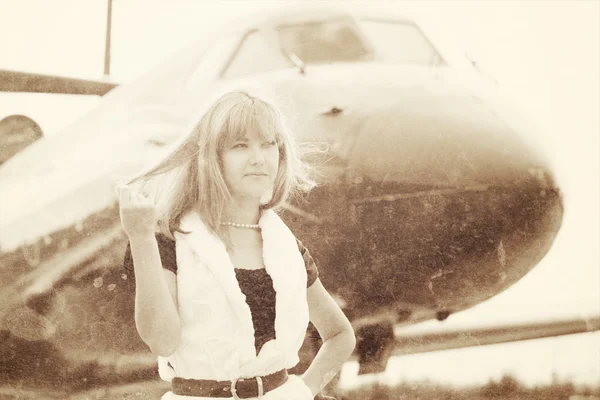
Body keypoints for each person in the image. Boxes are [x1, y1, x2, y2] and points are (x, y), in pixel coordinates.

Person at [118, 89, 356, 400]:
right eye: (240, 146)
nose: (258, 158)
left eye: (269, 144)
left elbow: (340, 335)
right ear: (211, 158)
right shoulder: (166, 237)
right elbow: (162, 342)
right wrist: (140, 237)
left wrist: (303, 392)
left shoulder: (286, 246)